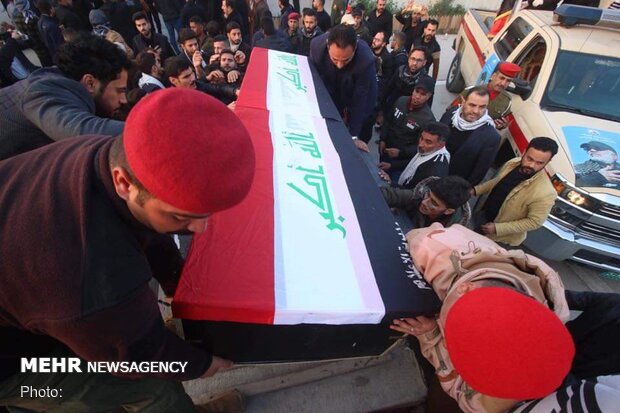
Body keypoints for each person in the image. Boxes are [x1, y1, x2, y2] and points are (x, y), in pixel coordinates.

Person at [0, 88, 255, 412]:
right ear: (124, 183)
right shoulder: (93, 279)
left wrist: (178, 285)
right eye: (182, 217)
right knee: (151, 389)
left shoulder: (106, 156)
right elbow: (140, 359)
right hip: (15, 362)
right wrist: (202, 364)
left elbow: (149, 225)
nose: (200, 229)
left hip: (39, 299)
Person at [392, 223, 573, 413]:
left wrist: (432, 335)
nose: (447, 344)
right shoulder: (431, 247)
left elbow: (474, 404)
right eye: (453, 330)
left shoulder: (541, 344)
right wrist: (434, 334)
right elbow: (412, 236)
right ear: (466, 288)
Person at [0, 34, 130, 160]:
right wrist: (145, 129)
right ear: (90, 82)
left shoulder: (59, 83)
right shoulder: (43, 90)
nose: (123, 99)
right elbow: (84, 131)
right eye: (120, 90)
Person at [473, 137, 558, 246]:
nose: (531, 166)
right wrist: (475, 190)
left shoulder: (546, 192)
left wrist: (498, 229)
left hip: (500, 239)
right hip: (483, 217)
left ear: (548, 162)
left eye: (539, 163)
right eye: (529, 159)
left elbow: (535, 222)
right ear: (524, 151)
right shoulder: (512, 163)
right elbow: (498, 182)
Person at [309, 24, 377, 151]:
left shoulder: (365, 60)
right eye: (335, 59)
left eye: (346, 60)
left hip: (358, 94)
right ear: (328, 46)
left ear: (355, 48)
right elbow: (314, 82)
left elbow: (360, 99)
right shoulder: (316, 47)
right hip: (331, 86)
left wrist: (353, 136)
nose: (340, 65)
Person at [440, 86, 500, 186]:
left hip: (452, 187)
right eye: (472, 105)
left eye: (482, 107)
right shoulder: (450, 114)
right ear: (463, 101)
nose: (476, 111)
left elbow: (478, 173)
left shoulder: (491, 137)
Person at [379, 76, 436, 179]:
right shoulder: (401, 100)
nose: (417, 96)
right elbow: (388, 120)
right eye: (416, 91)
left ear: (429, 96)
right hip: (385, 151)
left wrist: (400, 153)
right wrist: (382, 139)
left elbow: (421, 147)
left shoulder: (428, 120)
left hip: (401, 163)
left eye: (422, 94)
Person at [449, 62, 521, 130]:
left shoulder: (507, 101)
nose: (503, 83)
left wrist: (502, 126)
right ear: (493, 76)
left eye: (508, 81)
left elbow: (504, 121)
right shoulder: (471, 91)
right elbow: (451, 111)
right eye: (501, 78)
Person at [382, 121, 451, 190]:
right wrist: (392, 165)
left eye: (428, 142)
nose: (421, 144)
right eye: (421, 138)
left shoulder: (434, 172)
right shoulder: (429, 150)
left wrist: (391, 183)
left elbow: (414, 195)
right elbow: (416, 162)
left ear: (441, 145)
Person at [381, 175, 471, 229]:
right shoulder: (418, 196)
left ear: (449, 211)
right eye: (428, 195)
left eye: (434, 203)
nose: (424, 202)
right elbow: (389, 195)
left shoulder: (451, 233)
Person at [164, 55, 238, 104]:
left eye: (192, 73)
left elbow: (217, 89)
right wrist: (224, 109)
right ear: (173, 80)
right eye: (186, 77)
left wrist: (235, 91)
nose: (193, 78)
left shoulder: (197, 84)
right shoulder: (175, 103)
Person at [379, 46, 428, 115]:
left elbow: (425, 108)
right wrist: (381, 112)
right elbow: (387, 90)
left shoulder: (425, 82)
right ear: (408, 59)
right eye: (412, 59)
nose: (414, 63)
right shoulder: (400, 71)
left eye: (419, 60)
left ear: (424, 62)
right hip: (390, 111)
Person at [11, 0, 52, 66]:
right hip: (39, 41)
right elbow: (38, 32)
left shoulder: (17, 17)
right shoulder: (31, 17)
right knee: (47, 58)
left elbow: (21, 32)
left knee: (42, 58)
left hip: (31, 42)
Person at [36, 0, 64, 64]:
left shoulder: (40, 22)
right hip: (60, 55)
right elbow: (59, 43)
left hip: (52, 53)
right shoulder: (52, 25)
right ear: (51, 9)